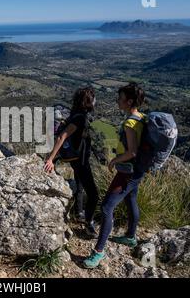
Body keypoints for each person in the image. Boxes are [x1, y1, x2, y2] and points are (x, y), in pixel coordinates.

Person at [83, 82, 147, 269]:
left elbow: (132, 151)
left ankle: (99, 252)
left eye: (120, 99)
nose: (117, 101)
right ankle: (130, 237)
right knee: (131, 200)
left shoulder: (129, 122)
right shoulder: (141, 117)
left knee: (106, 208)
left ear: (129, 101)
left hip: (127, 171)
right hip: (138, 171)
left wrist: (115, 160)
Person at [44, 87, 99, 237]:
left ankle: (79, 212)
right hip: (81, 161)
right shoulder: (80, 118)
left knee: (80, 186)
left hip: (78, 159)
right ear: (88, 101)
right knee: (94, 195)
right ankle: (89, 224)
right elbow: (62, 136)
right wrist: (50, 158)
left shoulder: (77, 113)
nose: (95, 101)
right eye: (93, 98)